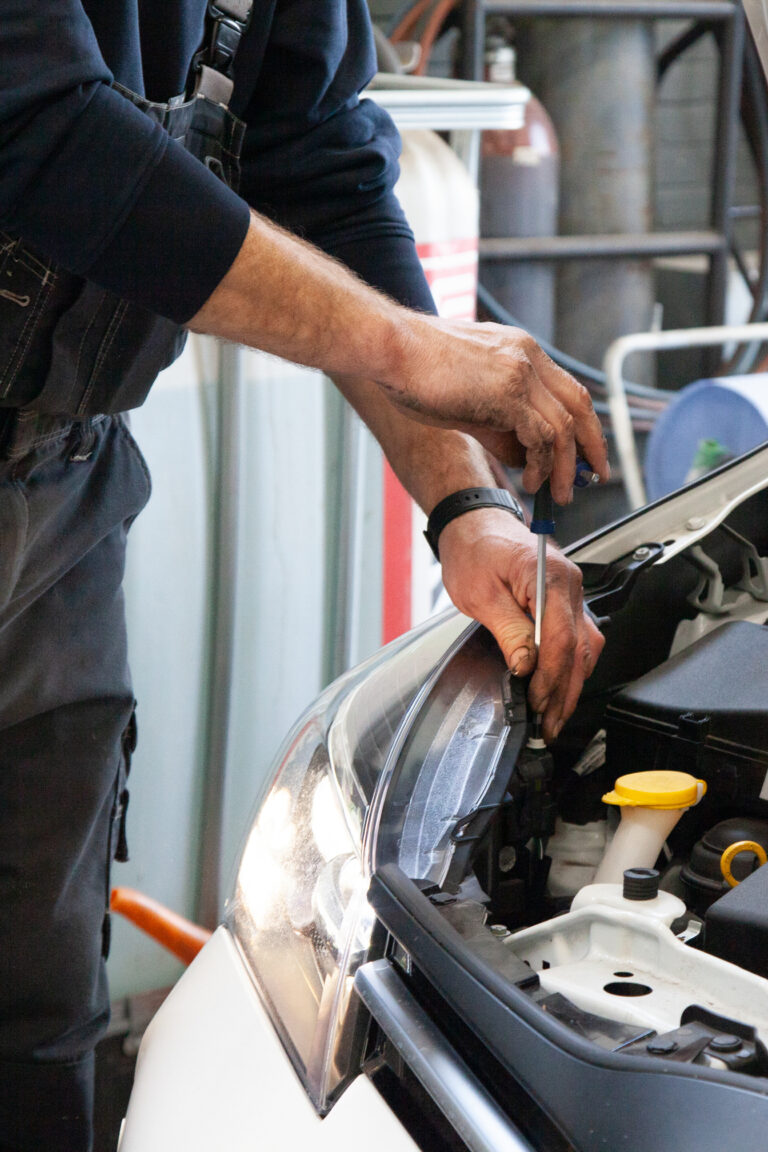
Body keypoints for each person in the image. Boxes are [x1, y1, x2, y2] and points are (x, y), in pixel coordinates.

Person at [0, 1, 607, 1147]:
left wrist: (466, 505)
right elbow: (37, 133)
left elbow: (316, 165)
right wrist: (413, 348)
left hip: (60, 504)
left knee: (37, 1024)